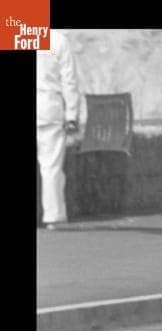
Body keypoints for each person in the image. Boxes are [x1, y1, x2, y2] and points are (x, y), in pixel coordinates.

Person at [37, 29, 82, 231]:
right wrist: (72, 114)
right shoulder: (58, 40)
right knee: (51, 166)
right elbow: (69, 81)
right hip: (48, 108)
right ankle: (53, 216)